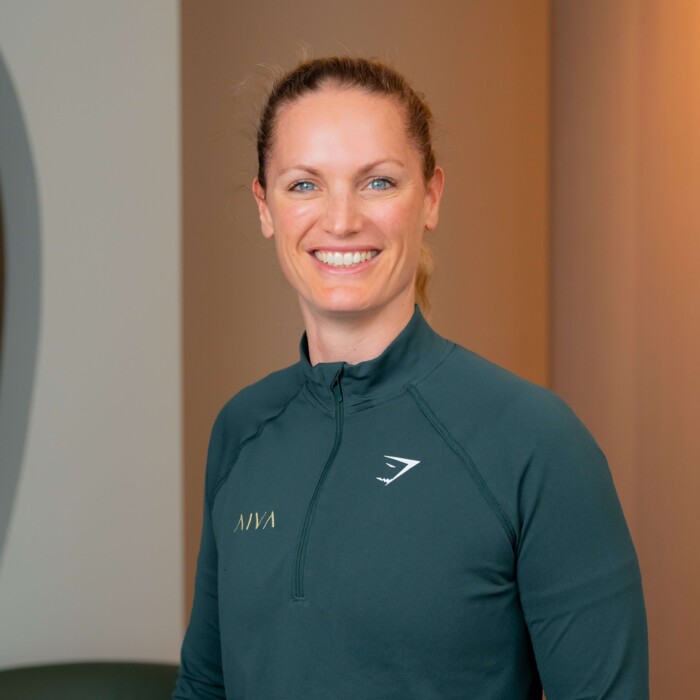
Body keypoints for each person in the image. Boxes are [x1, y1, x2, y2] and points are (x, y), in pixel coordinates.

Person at [173, 56, 648, 699]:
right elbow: (205, 685)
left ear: (430, 197)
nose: (341, 220)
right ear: (266, 207)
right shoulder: (242, 429)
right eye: (304, 185)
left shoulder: (535, 442)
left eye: (378, 182)